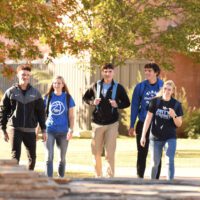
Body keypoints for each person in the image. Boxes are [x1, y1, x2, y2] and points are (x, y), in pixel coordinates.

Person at [83, 63, 130, 178]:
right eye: (105, 71)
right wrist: (92, 102)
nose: (107, 73)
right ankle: (98, 177)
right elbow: (85, 98)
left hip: (112, 124)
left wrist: (117, 104)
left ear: (113, 72)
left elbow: (127, 103)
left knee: (110, 153)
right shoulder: (95, 85)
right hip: (97, 124)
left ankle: (110, 179)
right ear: (102, 72)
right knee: (96, 153)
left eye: (110, 71)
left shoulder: (118, 87)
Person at [0, 65, 46, 170]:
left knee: (32, 158)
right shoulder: (10, 92)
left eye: (27, 75)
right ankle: (15, 182)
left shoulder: (35, 93)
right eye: (23, 74)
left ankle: (29, 180)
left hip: (30, 130)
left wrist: (44, 130)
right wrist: (3, 129)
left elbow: (41, 113)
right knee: (15, 158)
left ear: (29, 77)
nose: (25, 77)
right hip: (15, 129)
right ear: (18, 75)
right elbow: (3, 111)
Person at [140, 80, 183, 180]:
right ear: (162, 89)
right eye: (165, 89)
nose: (166, 91)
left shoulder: (176, 105)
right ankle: (152, 184)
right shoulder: (155, 101)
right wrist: (143, 136)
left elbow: (179, 123)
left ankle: (170, 184)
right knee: (155, 163)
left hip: (170, 137)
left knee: (169, 160)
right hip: (155, 137)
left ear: (172, 91)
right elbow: (148, 119)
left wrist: (174, 116)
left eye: (169, 89)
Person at [128, 63, 163, 178]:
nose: (147, 73)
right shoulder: (140, 87)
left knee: (157, 154)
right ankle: (140, 178)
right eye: (145, 70)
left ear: (156, 72)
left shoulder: (162, 86)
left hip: (158, 125)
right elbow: (134, 106)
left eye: (149, 71)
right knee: (142, 152)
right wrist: (132, 125)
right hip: (143, 123)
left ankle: (155, 179)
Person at [44, 75, 75, 177]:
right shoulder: (47, 97)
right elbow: (41, 115)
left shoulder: (68, 98)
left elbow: (71, 116)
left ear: (63, 85)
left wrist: (71, 130)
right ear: (52, 85)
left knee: (62, 158)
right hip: (50, 130)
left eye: (59, 83)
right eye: (55, 83)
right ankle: (49, 180)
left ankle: (61, 179)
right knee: (49, 157)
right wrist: (39, 129)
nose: (57, 85)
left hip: (63, 131)